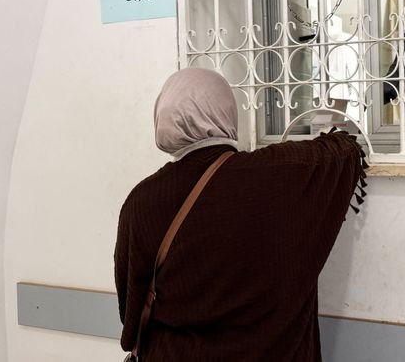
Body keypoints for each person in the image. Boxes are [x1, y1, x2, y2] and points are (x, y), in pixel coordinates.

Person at [115, 68, 367, 361]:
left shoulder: (140, 202)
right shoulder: (280, 176)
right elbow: (344, 150)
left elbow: (130, 309)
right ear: (227, 111)